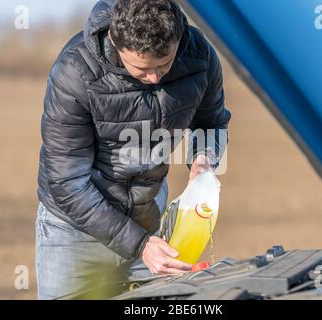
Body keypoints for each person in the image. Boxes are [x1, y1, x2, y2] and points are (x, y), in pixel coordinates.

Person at [36, 0, 231, 299]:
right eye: (142, 68)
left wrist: (203, 164)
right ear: (115, 39)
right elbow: (67, 183)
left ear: (178, 37)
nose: (155, 78)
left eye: (164, 64)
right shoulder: (74, 72)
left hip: (151, 221)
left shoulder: (200, 56)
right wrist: (140, 245)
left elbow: (211, 123)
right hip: (74, 234)